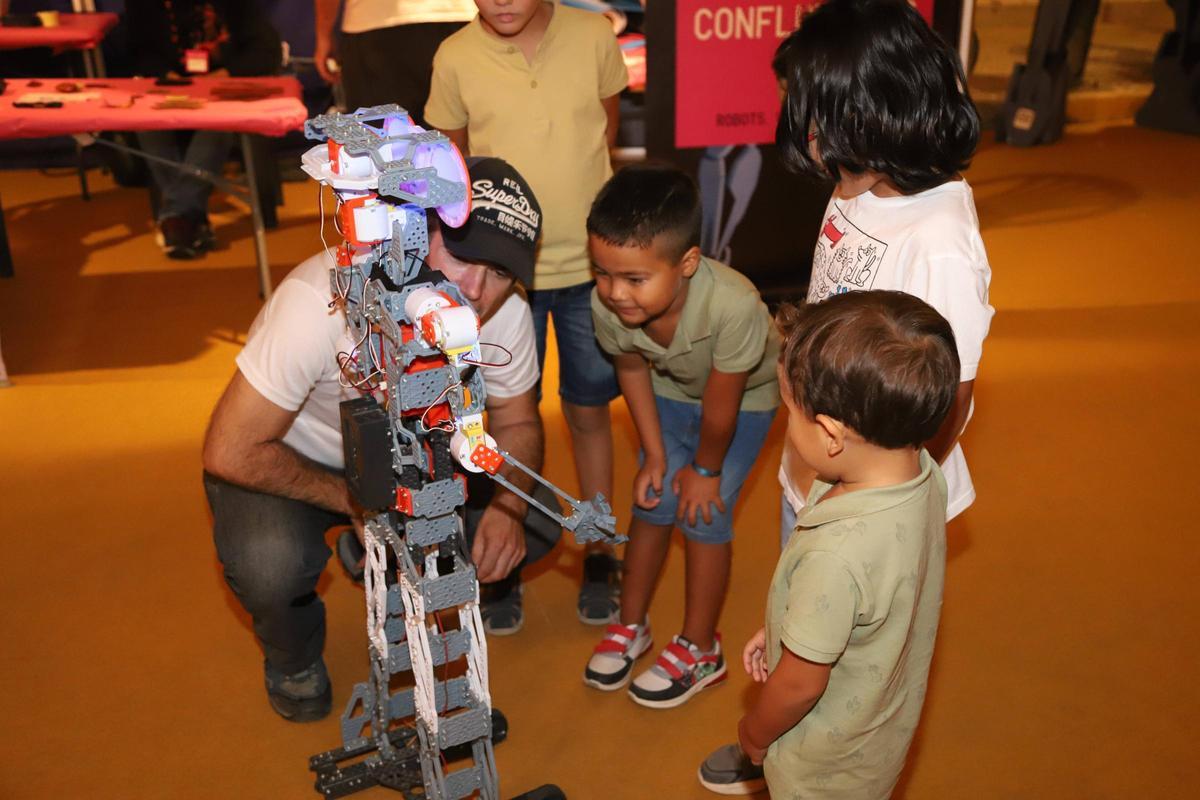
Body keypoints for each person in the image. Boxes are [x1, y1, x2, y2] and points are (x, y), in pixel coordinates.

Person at [699, 0, 994, 791]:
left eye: (817, 117)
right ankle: (783, 736)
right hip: (822, 465)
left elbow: (945, 407)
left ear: (869, 111)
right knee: (806, 621)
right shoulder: (860, 184)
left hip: (865, 497)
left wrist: (848, 488)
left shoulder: (940, 245)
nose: (810, 137)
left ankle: (781, 752)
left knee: (849, 667)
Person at [201, 157, 556, 722]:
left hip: (414, 458)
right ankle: (292, 655)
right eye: (462, 257)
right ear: (417, 232)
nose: (475, 290)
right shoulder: (315, 304)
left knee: (539, 514)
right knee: (269, 563)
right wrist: (357, 504)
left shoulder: (502, 311)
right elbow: (230, 451)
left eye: (501, 272)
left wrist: (509, 508)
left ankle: (382, 559)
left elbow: (520, 421)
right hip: (294, 460)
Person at [424, 0, 630, 625]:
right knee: (495, 418)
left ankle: (597, 551)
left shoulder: (594, 36)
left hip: (585, 269)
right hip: (499, 279)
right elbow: (451, 172)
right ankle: (499, 554)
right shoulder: (454, 57)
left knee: (589, 411)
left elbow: (606, 130)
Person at [735, 290, 960, 800]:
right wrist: (787, 625)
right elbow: (865, 601)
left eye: (789, 411)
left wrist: (753, 734)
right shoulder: (922, 473)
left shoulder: (836, 554)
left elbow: (799, 686)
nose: (784, 424)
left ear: (832, 434)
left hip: (820, 771)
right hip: (875, 742)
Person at [581, 164, 779, 708]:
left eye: (634, 279)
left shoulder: (734, 305)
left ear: (687, 263)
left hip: (744, 403)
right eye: (602, 271)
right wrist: (657, 456)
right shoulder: (608, 303)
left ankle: (700, 647)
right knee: (653, 498)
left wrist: (706, 473)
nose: (614, 292)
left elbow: (723, 405)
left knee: (702, 511)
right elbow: (632, 370)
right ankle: (631, 625)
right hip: (668, 394)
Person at [126, 0, 281, 259]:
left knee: (217, 124)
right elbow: (137, 52)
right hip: (171, 91)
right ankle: (190, 218)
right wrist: (165, 74)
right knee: (148, 126)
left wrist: (226, 73)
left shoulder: (236, 7)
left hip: (221, 92)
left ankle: (175, 218)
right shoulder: (145, 6)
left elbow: (266, 50)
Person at [312, 0, 475, 125]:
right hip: (460, 15)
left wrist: (324, 35)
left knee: (383, 146)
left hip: (377, 23)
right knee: (466, 147)